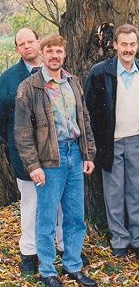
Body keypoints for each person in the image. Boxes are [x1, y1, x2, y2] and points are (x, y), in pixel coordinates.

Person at [0, 28, 89, 276]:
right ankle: (33, 256)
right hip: (33, 156)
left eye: (31, 41)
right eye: (22, 43)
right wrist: (31, 161)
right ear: (18, 49)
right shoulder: (14, 82)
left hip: (68, 154)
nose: (27, 46)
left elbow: (82, 119)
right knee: (35, 209)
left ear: (38, 43)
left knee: (67, 209)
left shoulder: (69, 80)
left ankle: (67, 253)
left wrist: (86, 152)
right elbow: (11, 126)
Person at [84, 24, 139, 261]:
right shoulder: (99, 72)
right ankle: (119, 240)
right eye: (123, 44)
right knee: (113, 192)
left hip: (137, 138)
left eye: (132, 44)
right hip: (110, 142)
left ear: (137, 45)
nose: (128, 49)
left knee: (136, 191)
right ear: (114, 45)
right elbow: (89, 110)